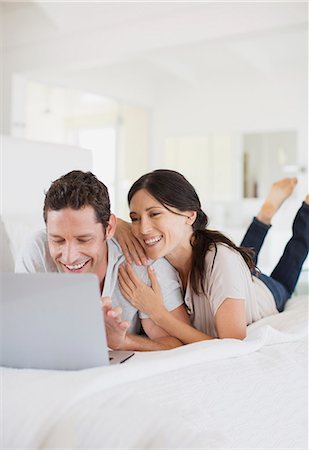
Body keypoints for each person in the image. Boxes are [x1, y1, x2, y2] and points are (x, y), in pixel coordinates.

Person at [112, 171, 308, 345]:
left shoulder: (220, 259)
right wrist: (117, 225)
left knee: (290, 266)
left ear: (189, 216)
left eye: (154, 214)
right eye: (134, 218)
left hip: (264, 291)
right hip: (232, 273)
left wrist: (159, 314)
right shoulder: (157, 251)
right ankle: (264, 215)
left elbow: (232, 344)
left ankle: (304, 211)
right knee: (241, 255)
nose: (142, 228)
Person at [15, 170, 190, 351]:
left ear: (109, 228)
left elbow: (178, 346)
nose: (69, 257)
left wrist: (123, 342)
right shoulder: (36, 250)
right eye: (57, 240)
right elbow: (19, 331)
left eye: (83, 240)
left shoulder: (143, 264)